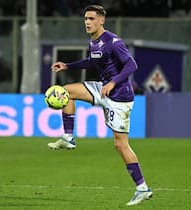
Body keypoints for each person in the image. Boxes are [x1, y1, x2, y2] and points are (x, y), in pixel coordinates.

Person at [47, 4, 153, 206]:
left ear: (101, 20)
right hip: (103, 88)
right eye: (85, 19)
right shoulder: (94, 41)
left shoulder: (113, 41)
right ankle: (69, 138)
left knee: (120, 145)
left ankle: (142, 188)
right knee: (66, 91)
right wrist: (68, 65)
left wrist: (113, 83)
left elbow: (132, 65)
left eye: (91, 18)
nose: (87, 22)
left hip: (119, 95)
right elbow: (91, 61)